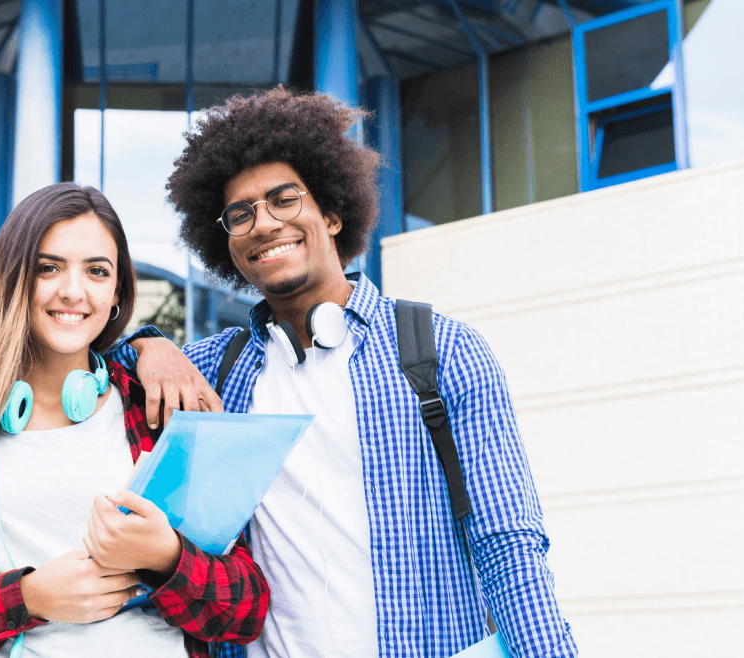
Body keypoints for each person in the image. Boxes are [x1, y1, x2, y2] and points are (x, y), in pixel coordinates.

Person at [110, 88, 577, 657]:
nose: (263, 224)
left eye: (284, 199)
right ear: (226, 245)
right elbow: (83, 360)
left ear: (331, 213)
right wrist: (149, 343)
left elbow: (508, 543)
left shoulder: (440, 352)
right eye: (241, 214)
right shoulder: (213, 373)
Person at [0, 183, 268, 658]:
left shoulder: (158, 412)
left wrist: (168, 558)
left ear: (116, 293)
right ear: (12, 279)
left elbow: (245, 610)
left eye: (97, 271)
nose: (73, 291)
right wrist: (26, 598)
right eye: (48, 268)